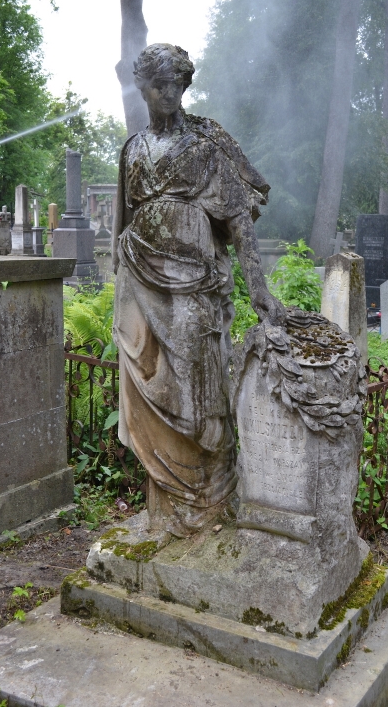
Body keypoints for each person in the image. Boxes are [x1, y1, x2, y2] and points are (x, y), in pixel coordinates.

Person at [112, 43, 285, 537]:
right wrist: (118, 272)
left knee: (195, 391)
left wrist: (259, 290)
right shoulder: (132, 149)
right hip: (137, 278)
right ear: (143, 87)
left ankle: (207, 502)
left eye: (177, 84)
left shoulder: (202, 147)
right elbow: (123, 219)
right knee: (146, 387)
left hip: (193, 284)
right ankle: (165, 510)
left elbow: (238, 219)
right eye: (159, 85)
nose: (169, 93)